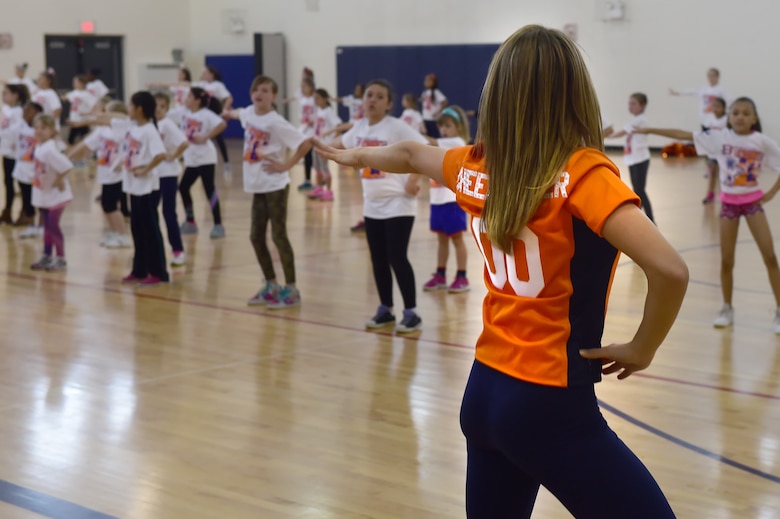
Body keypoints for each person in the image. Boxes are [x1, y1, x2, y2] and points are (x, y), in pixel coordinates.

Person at [315, 25, 687, 518]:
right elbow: (670, 270)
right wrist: (643, 347)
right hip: (551, 404)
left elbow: (408, 154)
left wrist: (358, 155)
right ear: (574, 93)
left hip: (485, 392)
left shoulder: (475, 166)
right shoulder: (583, 174)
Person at [637, 97, 780, 333]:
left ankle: (778, 309)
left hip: (753, 204)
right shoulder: (720, 138)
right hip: (728, 206)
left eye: (746, 113)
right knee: (726, 260)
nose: (740, 117)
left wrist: (770, 194)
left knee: (770, 257)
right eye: (735, 113)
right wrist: (651, 129)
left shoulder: (762, 142)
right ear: (729, 117)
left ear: (754, 118)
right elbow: (685, 135)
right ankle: (726, 308)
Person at [329, 79, 428, 333]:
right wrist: (314, 143)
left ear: (389, 104)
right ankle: (386, 309)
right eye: (369, 94)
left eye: (379, 96)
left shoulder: (396, 127)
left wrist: (414, 181)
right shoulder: (359, 128)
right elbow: (339, 146)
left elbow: (424, 148)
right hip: (372, 205)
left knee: (397, 256)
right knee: (378, 259)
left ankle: (411, 312)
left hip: (398, 203)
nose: (372, 99)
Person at [223, 75, 312, 308]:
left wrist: (286, 165)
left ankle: (291, 289)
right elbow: (237, 113)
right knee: (255, 236)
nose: (259, 94)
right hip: (257, 185)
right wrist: (227, 112)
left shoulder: (276, 122)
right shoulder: (249, 114)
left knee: (278, 236)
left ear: (273, 96)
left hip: (275, 185)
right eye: (256, 90)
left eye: (264, 90)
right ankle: (271, 284)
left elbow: (304, 144)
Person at [117, 91, 168, 285]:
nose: (128, 109)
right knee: (137, 229)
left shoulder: (149, 130)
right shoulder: (133, 128)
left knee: (150, 231)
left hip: (147, 187)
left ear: (139, 109)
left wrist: (145, 169)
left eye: (130, 106)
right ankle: (139, 270)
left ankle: (158, 272)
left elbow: (160, 154)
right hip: (134, 186)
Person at [67, 100, 132, 248]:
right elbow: (86, 144)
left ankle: (123, 235)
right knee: (106, 205)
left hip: (116, 174)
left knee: (111, 206)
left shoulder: (122, 130)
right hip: (105, 174)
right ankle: (115, 232)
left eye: (106, 113)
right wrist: (68, 157)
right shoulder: (102, 131)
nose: (102, 116)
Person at [421, 106, 470, 293]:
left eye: (448, 126)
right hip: (437, 199)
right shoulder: (442, 143)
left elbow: (431, 142)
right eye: (442, 126)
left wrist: (414, 134)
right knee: (441, 240)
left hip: (452, 201)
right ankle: (440, 274)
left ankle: (462, 276)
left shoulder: (457, 142)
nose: (444, 130)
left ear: (458, 127)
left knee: (457, 239)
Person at [178, 87, 227, 239]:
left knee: (209, 190)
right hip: (191, 159)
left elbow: (222, 124)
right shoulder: (184, 113)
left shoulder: (206, 114)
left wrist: (206, 136)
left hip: (206, 158)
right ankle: (190, 221)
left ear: (197, 100)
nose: (186, 99)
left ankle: (218, 225)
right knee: (183, 187)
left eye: (189, 96)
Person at [29, 114, 74, 272]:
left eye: (44, 128)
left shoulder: (49, 149)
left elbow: (67, 165)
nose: (39, 131)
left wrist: (59, 179)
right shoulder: (39, 146)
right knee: (47, 226)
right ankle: (47, 255)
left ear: (51, 130)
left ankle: (61, 258)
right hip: (44, 194)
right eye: (37, 127)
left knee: (53, 226)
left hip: (57, 195)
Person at [153, 92, 189, 265]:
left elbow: (184, 142)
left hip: (167, 174)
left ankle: (177, 250)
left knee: (168, 213)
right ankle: (153, 250)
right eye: (156, 106)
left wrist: (173, 155)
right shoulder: (148, 125)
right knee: (151, 213)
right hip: (152, 175)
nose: (158, 109)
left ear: (167, 109)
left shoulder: (166, 124)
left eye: (162, 107)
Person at [608, 93, 654, 223]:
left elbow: (621, 132)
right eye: (629, 103)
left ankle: (650, 220)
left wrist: (606, 135)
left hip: (640, 160)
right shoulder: (635, 120)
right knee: (637, 189)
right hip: (633, 159)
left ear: (642, 105)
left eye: (634, 104)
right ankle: (643, 218)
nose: (630, 106)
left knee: (640, 190)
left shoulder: (640, 120)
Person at [193, 65, 233, 174]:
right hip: (201, 116)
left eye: (205, 72)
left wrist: (224, 110)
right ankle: (200, 163)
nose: (203, 74)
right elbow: (186, 85)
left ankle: (226, 163)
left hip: (214, 114)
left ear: (211, 74)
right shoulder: (200, 84)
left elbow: (229, 98)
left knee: (219, 139)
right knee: (199, 138)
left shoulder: (218, 85)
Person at [12, 102, 43, 233]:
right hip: (23, 170)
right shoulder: (20, 126)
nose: (25, 113)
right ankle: (30, 224)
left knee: (40, 200)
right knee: (26, 198)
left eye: (28, 111)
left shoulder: (43, 129)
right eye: (24, 111)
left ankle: (42, 226)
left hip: (38, 171)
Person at [0, 84, 30, 224]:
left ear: (15, 95)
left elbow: (16, 132)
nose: (3, 96)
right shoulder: (6, 109)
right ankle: (7, 211)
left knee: (21, 183)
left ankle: (25, 212)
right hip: (6, 152)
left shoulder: (19, 111)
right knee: (8, 183)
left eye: (6, 93)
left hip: (17, 153)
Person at [307, 88, 342, 201]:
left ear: (325, 99)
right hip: (316, 143)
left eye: (318, 98)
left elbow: (338, 126)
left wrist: (332, 140)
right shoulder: (319, 111)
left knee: (324, 167)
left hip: (324, 145)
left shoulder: (329, 112)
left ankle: (329, 191)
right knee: (317, 167)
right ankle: (319, 188)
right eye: (314, 98)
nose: (315, 100)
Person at [283, 76, 316, 190]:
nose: (302, 88)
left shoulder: (314, 99)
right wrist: (284, 101)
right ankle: (308, 179)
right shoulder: (302, 98)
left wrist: (314, 121)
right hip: (303, 128)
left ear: (311, 87)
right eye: (302, 86)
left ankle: (312, 179)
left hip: (312, 130)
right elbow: (294, 98)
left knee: (309, 153)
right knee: (306, 153)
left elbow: (320, 112)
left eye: (305, 86)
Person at [701, 97, 727, 204]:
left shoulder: (726, 120)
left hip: (724, 152)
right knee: (712, 174)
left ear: (723, 108)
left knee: (723, 175)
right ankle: (710, 194)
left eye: (718, 106)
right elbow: (707, 132)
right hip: (713, 151)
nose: (716, 108)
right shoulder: (710, 119)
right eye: (714, 106)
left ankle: (724, 194)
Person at [64, 75, 98, 146]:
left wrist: (89, 113)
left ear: (82, 83)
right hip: (74, 120)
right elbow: (65, 97)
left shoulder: (86, 94)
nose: (74, 84)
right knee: (71, 140)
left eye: (76, 82)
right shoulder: (74, 93)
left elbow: (95, 104)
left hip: (82, 121)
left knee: (83, 139)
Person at [419, 73, 447, 138]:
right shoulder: (425, 92)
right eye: (425, 80)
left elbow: (444, 101)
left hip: (433, 119)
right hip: (425, 118)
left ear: (433, 83)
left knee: (433, 136)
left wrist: (438, 112)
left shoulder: (436, 92)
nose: (426, 82)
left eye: (428, 81)